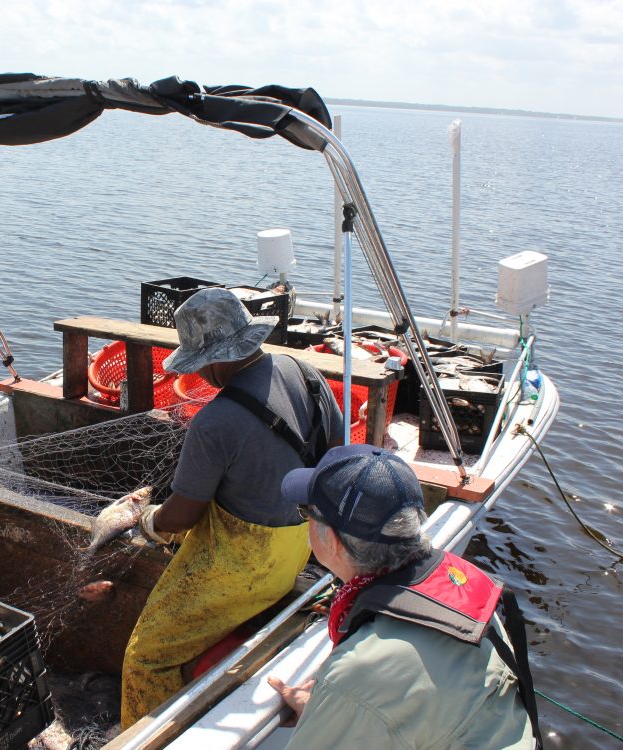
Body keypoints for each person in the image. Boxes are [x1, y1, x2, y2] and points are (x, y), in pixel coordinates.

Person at [120, 287, 346, 728]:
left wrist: (148, 521)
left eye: (200, 364)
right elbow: (336, 455)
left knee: (145, 656)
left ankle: (147, 737)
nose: (201, 374)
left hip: (242, 569)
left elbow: (182, 516)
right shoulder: (305, 372)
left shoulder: (214, 423)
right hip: (302, 545)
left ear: (215, 359)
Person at [272, 444, 539, 749]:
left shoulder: (358, 672)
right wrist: (333, 712)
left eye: (307, 512)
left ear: (331, 541)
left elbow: (374, 689)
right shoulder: (463, 583)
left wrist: (339, 703)